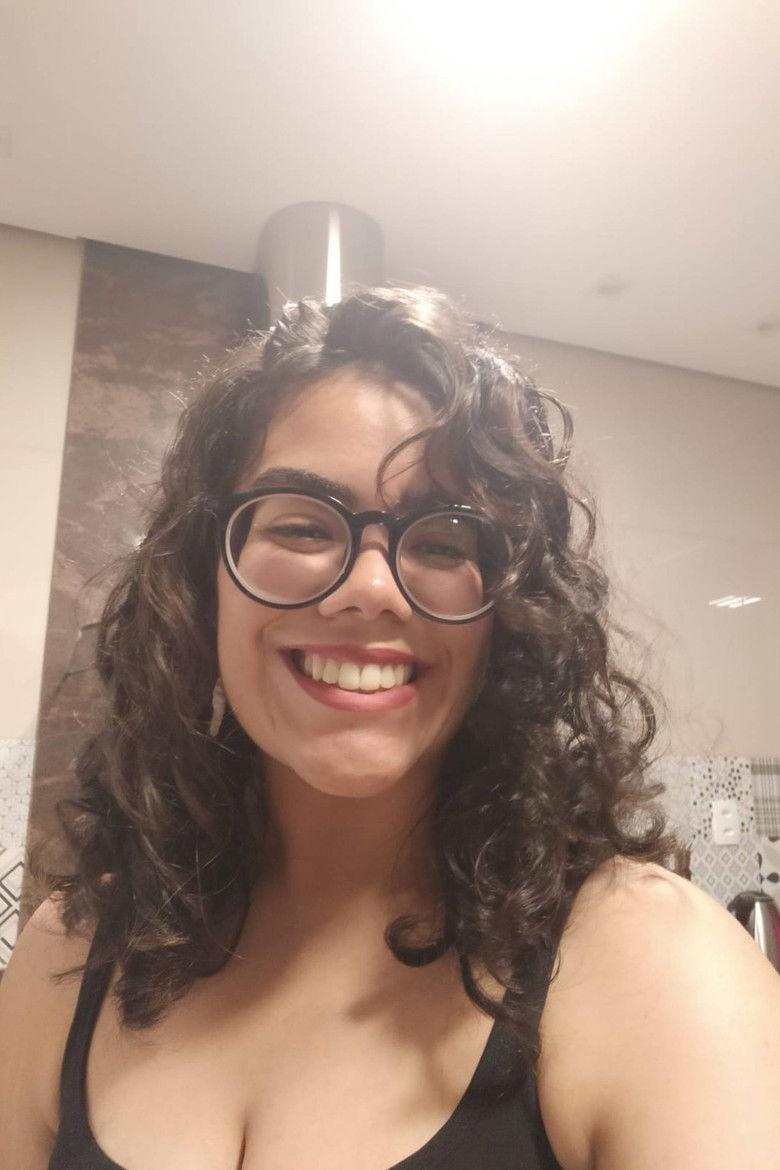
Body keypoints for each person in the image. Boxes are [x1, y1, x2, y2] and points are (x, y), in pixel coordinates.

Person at [1, 286, 779, 1170]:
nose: (370, 588)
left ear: (507, 615)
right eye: (301, 524)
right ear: (202, 579)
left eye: (443, 541)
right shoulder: (69, 951)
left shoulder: (653, 967)